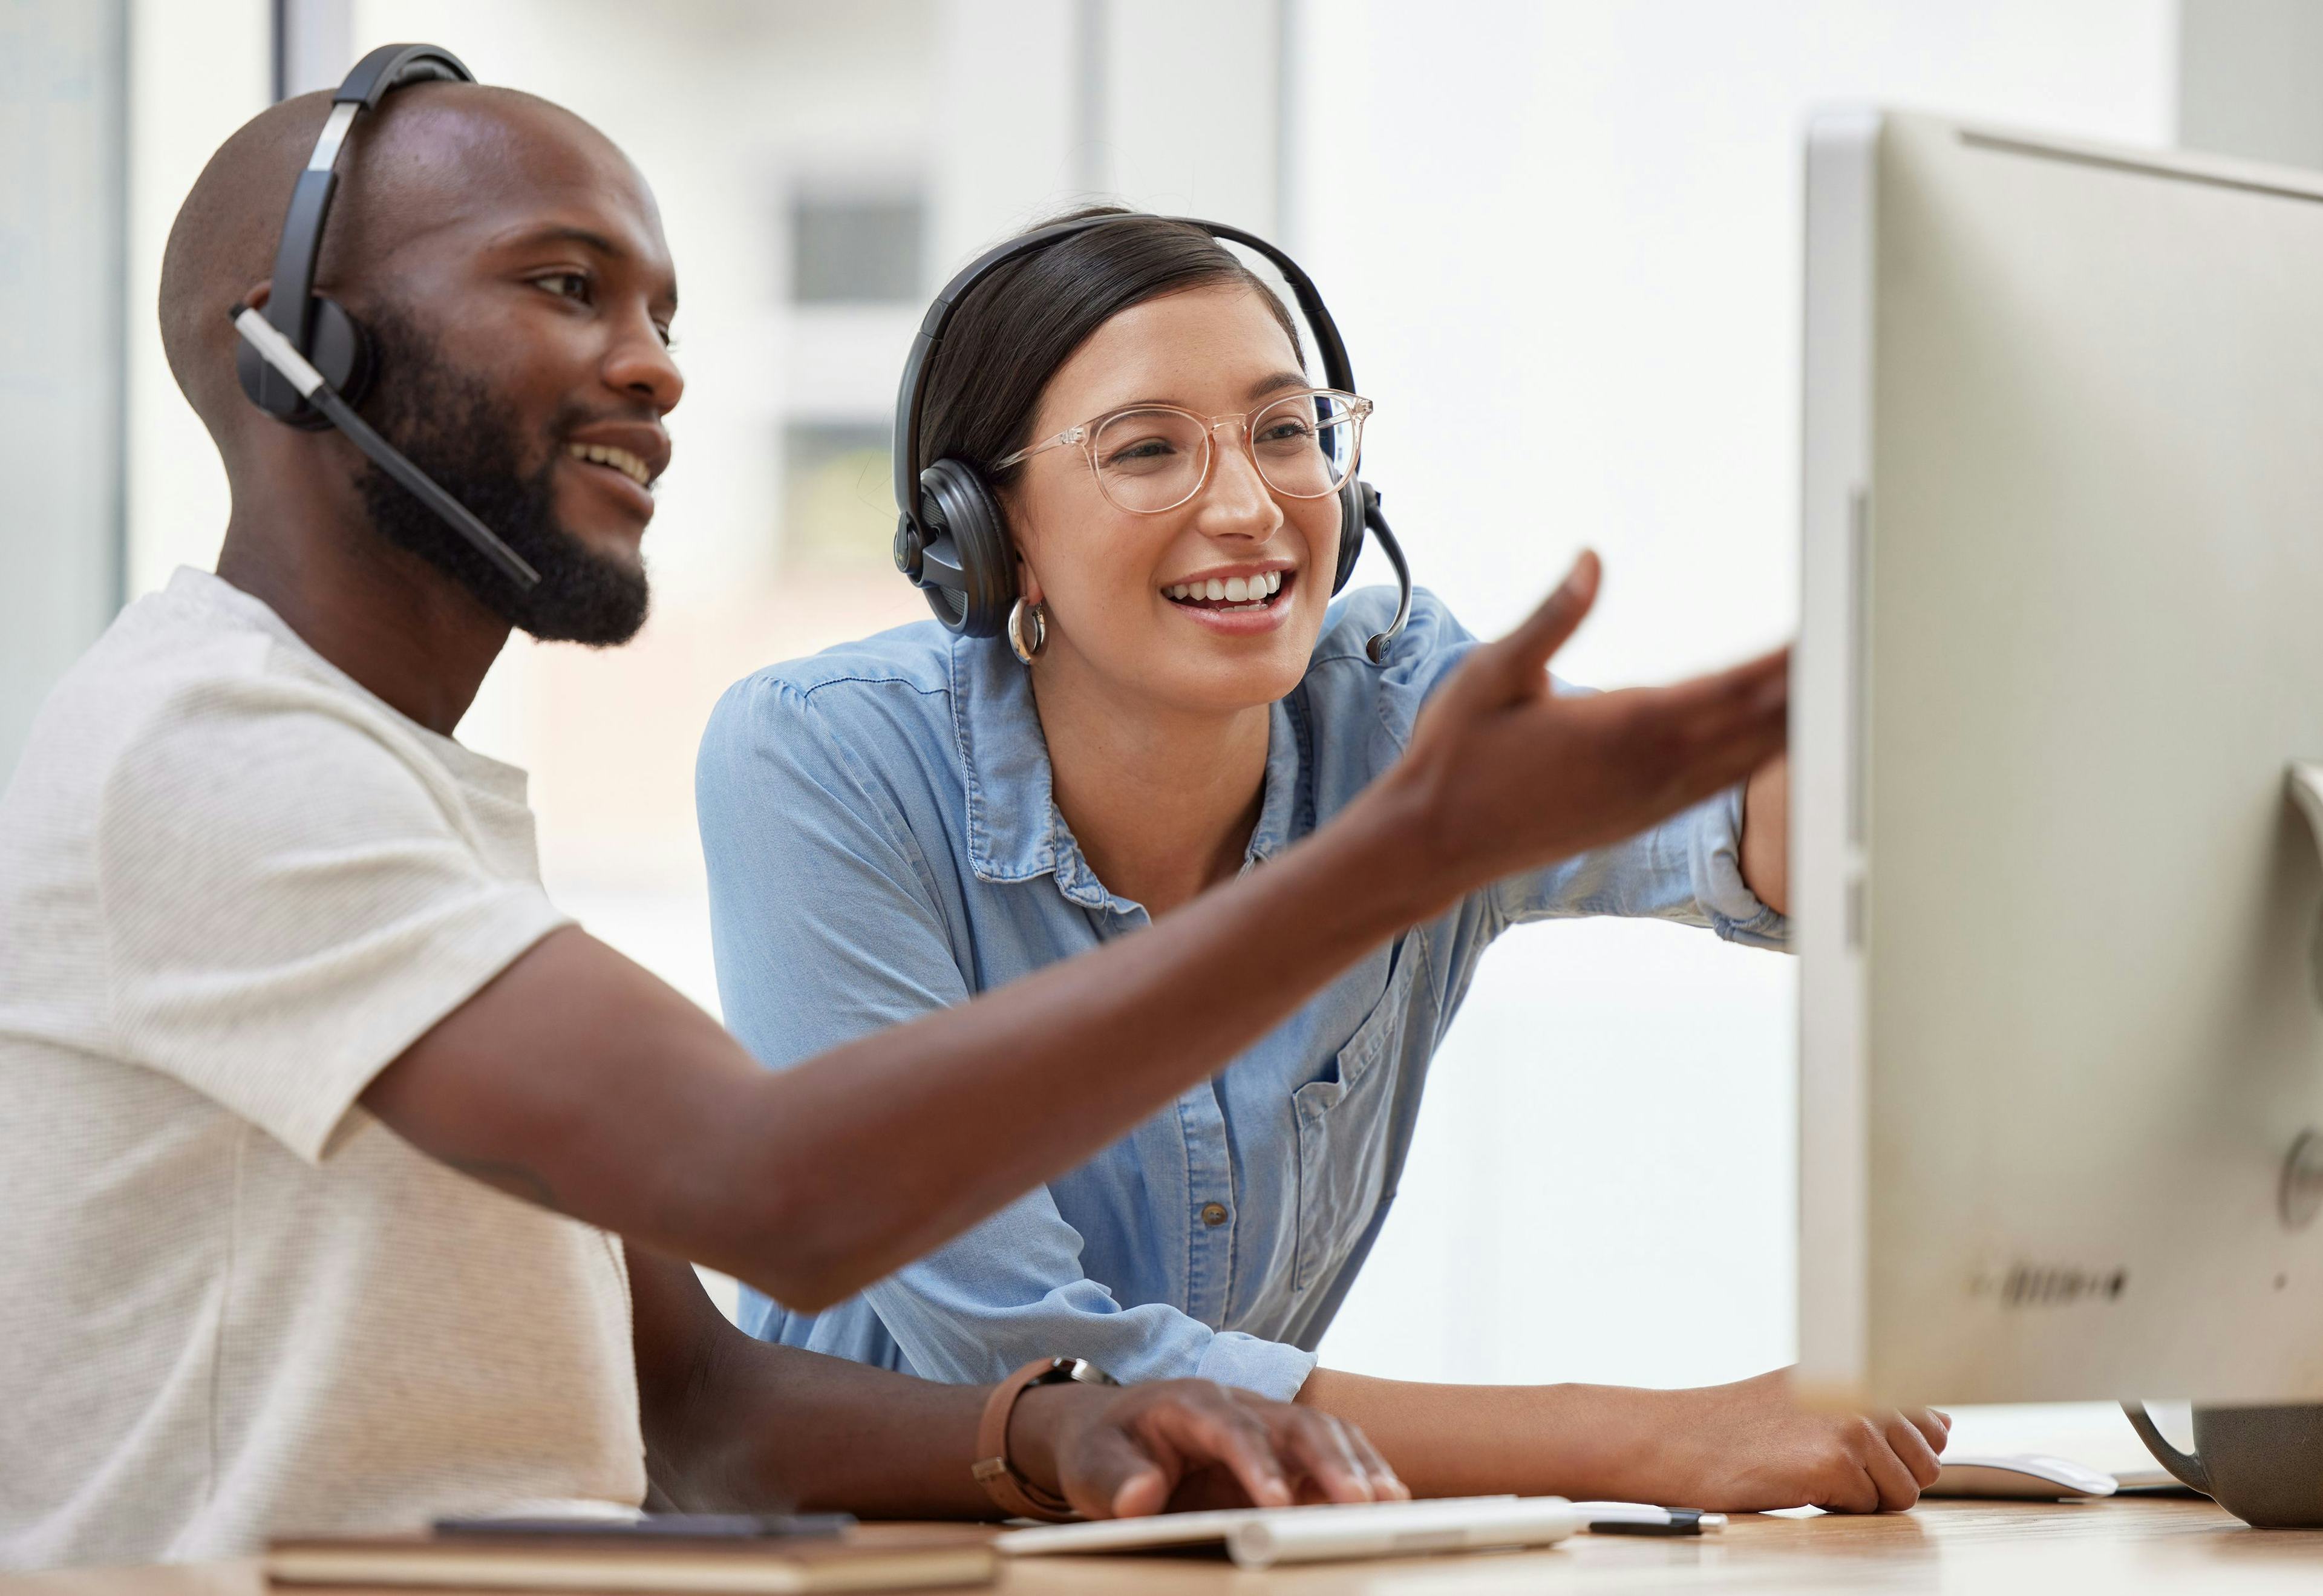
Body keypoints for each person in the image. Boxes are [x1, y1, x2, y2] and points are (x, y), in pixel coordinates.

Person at [0, 73, 1797, 1571]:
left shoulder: (398, 791)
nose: (655, 365)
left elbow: (703, 1410)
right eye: (564, 286)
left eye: (663, 314)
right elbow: (770, 1188)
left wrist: (1053, 1425)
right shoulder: (213, 756)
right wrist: (1394, 862)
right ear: (295, 353)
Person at [697, 208, 1948, 1514]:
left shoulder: (1399, 717)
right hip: (883, 1561)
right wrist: (1653, 1436)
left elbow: (1761, 835)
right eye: (1145, 449)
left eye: (1288, 431)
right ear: (982, 531)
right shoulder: (821, 762)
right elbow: (1038, 1358)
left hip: (1236, 1558)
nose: (1248, 506)